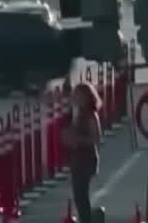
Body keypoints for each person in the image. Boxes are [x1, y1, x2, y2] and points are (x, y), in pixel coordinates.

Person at [63, 82, 105, 223]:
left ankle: (86, 220)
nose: (75, 97)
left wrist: (77, 139)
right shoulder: (77, 113)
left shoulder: (90, 115)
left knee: (81, 195)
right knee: (79, 195)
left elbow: (95, 138)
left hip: (86, 159)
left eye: (78, 95)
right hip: (77, 159)